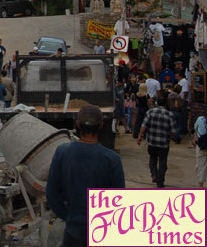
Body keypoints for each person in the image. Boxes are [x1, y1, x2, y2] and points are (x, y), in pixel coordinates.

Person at [46, 105, 125, 247]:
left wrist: (68, 216)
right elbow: (119, 200)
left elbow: (52, 193)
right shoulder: (112, 159)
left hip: (74, 232)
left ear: (78, 124)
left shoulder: (62, 152)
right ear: (101, 125)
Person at [137, 93, 177, 187]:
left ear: (157, 103)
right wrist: (170, 138)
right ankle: (160, 181)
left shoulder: (150, 112)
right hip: (163, 144)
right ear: (166, 104)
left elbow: (143, 125)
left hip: (151, 142)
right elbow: (173, 131)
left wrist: (139, 136)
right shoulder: (169, 114)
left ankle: (154, 175)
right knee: (163, 162)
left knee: (152, 159)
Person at [192, 115, 207, 187]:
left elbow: (195, 129)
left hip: (202, 146)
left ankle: (201, 186)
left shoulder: (200, 119)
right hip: (202, 145)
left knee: (201, 165)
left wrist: (195, 139)